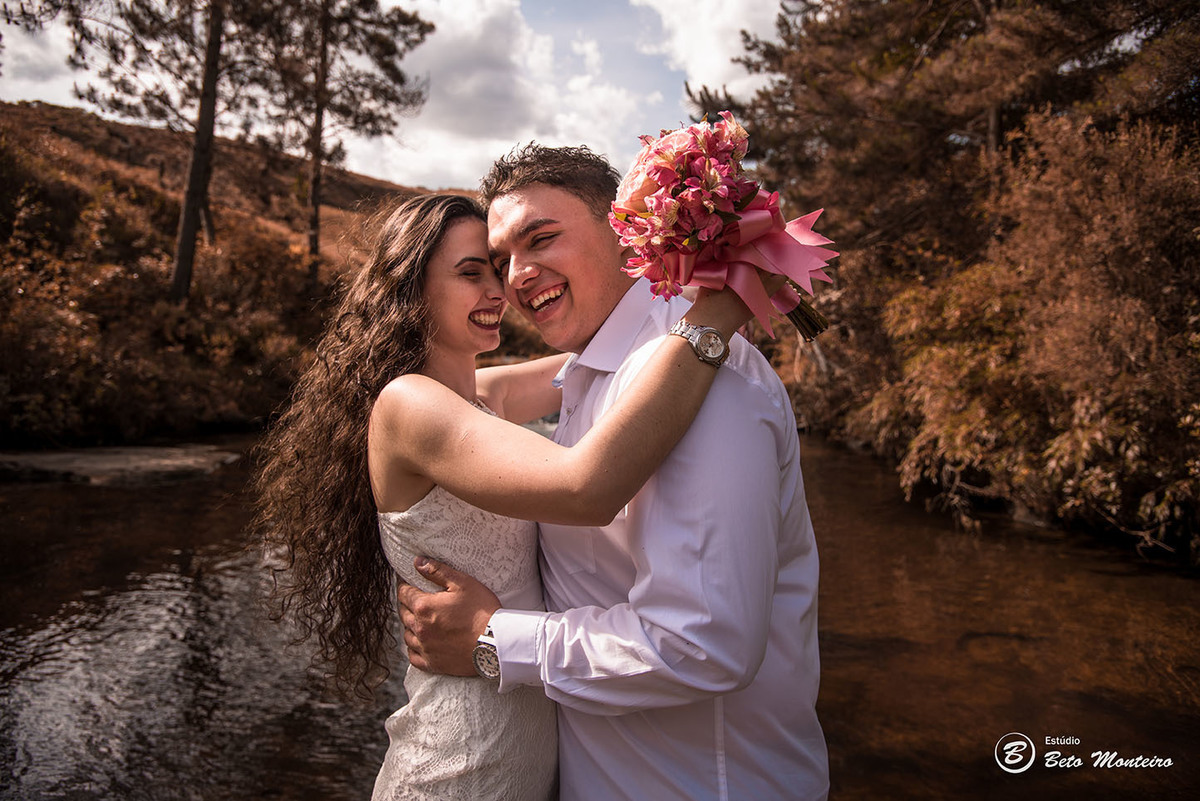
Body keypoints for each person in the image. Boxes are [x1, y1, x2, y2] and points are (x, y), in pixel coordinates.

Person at [252, 192, 760, 801]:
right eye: (471, 274)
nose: (498, 290)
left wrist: (683, 263)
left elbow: (599, 351)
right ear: (409, 291)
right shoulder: (409, 405)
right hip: (458, 763)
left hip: (527, 754)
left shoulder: (477, 398)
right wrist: (718, 311)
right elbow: (587, 488)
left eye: (495, 271)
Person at [397, 146, 830, 800]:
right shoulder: (590, 371)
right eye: (498, 260)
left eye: (541, 238)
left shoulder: (703, 382)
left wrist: (494, 640)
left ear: (624, 227)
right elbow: (467, 395)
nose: (515, 276)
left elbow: (701, 641)